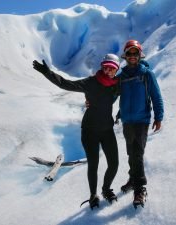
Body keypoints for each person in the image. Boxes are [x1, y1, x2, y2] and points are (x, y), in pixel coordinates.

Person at [32, 54, 120, 210]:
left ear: (116, 70)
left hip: (107, 130)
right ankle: (93, 195)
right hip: (89, 130)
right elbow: (65, 84)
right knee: (93, 164)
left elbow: (131, 85)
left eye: (112, 68)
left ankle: (106, 190)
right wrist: (47, 72)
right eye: (105, 67)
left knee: (114, 164)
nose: (108, 71)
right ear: (102, 66)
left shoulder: (117, 85)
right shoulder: (91, 82)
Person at [118, 40, 164, 208]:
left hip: (142, 120)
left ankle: (140, 188)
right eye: (129, 53)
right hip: (127, 121)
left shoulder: (147, 74)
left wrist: (158, 117)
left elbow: (156, 96)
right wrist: (92, 102)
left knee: (137, 153)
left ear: (139, 55)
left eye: (134, 53)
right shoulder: (121, 76)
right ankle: (132, 178)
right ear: (125, 56)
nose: (132, 56)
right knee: (131, 153)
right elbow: (110, 94)